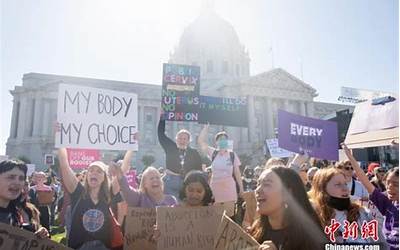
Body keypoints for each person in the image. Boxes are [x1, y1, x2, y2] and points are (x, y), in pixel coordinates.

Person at [58, 148, 121, 250]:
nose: (94, 173)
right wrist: (60, 141)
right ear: (87, 176)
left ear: (104, 177)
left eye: (99, 171)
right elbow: (64, 165)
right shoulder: (78, 192)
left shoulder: (108, 195)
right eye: (91, 170)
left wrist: (132, 148)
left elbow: (123, 172)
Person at [250, 166, 326, 250]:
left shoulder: (310, 235)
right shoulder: (256, 230)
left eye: (267, 184)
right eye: (258, 184)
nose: (258, 190)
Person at [309, 167, 385, 245]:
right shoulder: (314, 216)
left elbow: (379, 240)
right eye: (338, 184)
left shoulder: (360, 212)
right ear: (322, 188)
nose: (345, 189)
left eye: (345, 184)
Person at [343, 144, 398, 250]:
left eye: (395, 184)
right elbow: (364, 179)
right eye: (387, 183)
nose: (390, 188)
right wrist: (350, 156)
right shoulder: (387, 204)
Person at [198, 124, 244, 217]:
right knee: (215, 216)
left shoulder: (232, 155)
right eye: (220, 139)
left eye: (224, 139)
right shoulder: (213, 153)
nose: (222, 141)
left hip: (229, 188)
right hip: (215, 188)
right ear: (216, 142)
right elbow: (201, 141)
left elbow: (237, 173)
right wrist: (205, 128)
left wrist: (241, 189)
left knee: (230, 216)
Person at [158, 113, 202, 198]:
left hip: (187, 182)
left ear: (189, 140)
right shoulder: (170, 147)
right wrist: (162, 117)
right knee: (170, 205)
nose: (182, 140)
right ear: (176, 139)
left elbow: (198, 170)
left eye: (185, 138)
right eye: (180, 138)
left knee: (184, 206)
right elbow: (161, 134)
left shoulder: (193, 152)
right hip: (171, 180)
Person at [0, 160, 48, 238]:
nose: (17, 182)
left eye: (21, 178)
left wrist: (35, 237)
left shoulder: (16, 214)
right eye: (11, 177)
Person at [112, 150, 177, 208]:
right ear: (144, 184)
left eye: (157, 177)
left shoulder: (171, 200)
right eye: (151, 178)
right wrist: (131, 149)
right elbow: (126, 188)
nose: (155, 180)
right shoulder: (139, 198)